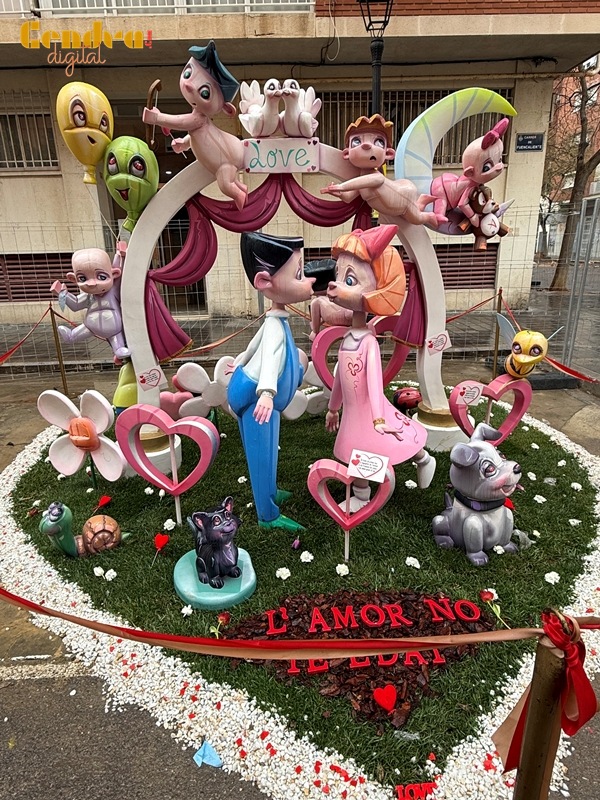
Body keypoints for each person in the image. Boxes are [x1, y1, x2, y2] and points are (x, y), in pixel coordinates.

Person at [325, 225, 435, 511]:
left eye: (350, 279)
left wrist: (376, 418)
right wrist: (333, 408)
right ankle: (362, 493)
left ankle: (423, 459)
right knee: (356, 447)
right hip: (353, 412)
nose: (335, 285)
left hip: (370, 411)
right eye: (339, 276)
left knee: (383, 441)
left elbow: (374, 383)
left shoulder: (368, 343)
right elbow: (340, 377)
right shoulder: (348, 339)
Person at [227, 232, 315, 531]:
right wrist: (266, 392)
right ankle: (267, 515)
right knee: (261, 455)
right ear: (265, 281)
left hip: (261, 397)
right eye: (299, 274)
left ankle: (271, 491)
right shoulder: (276, 327)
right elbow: (270, 356)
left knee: (268, 447)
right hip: (257, 398)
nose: (307, 280)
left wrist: (242, 359)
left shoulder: (274, 320)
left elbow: (257, 342)